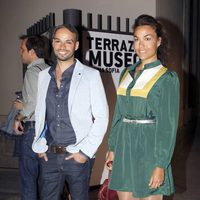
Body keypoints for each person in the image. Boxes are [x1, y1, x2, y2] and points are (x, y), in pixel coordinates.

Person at [106, 14, 180, 200]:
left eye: (147, 39)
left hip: (149, 149)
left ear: (158, 41)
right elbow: (118, 113)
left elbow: (167, 126)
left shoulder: (166, 78)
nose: (141, 45)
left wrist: (161, 164)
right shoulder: (127, 72)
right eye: (136, 39)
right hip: (124, 147)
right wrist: (112, 147)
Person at [32, 24, 109, 200]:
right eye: (58, 41)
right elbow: (40, 112)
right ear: (52, 43)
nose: (62, 46)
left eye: (68, 42)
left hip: (77, 155)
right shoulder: (43, 76)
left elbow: (102, 117)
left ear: (76, 45)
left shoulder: (91, 75)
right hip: (48, 155)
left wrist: (85, 153)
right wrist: (39, 145)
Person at [13, 35, 50, 200]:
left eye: (22, 49)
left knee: (28, 179)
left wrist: (19, 117)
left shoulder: (32, 72)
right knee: (45, 181)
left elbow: (34, 103)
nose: (20, 53)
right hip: (48, 130)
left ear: (32, 52)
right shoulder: (49, 70)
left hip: (33, 129)